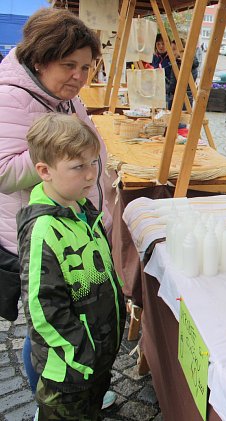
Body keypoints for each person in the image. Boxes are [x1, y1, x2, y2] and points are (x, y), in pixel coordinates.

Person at [0, 7, 116, 411]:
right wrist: (59, 158)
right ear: (39, 58)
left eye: (86, 67)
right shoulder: (10, 98)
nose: (80, 77)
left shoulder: (61, 95)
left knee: (78, 311)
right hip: (41, 233)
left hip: (73, 225)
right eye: (70, 65)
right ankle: (50, 400)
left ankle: (79, 392)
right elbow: (1, 172)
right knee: (48, 325)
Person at [19, 113, 125, 420]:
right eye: (78, 166)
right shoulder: (43, 230)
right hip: (67, 373)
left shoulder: (81, 207)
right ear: (44, 171)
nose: (91, 175)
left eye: (94, 162)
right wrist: (82, 355)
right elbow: (42, 308)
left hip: (95, 361)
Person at [166, 38, 199, 110]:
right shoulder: (180, 62)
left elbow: (175, 84)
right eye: (171, 50)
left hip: (182, 99)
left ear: (183, 50)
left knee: (179, 120)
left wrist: (167, 89)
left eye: (174, 49)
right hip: (179, 98)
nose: (172, 52)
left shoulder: (184, 64)